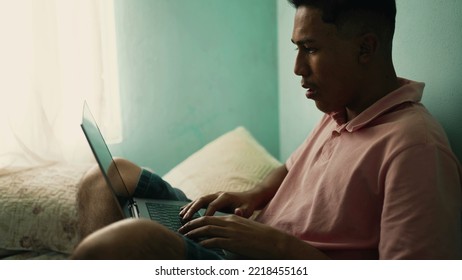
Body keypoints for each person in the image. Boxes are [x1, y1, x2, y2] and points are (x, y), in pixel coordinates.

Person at [71, 0, 462, 260]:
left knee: (128, 241)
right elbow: (291, 170)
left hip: (265, 259)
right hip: (244, 239)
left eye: (309, 49)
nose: (297, 68)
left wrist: (277, 246)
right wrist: (252, 194)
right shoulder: (341, 108)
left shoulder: (415, 148)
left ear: (366, 49)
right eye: (296, 48)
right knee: (104, 178)